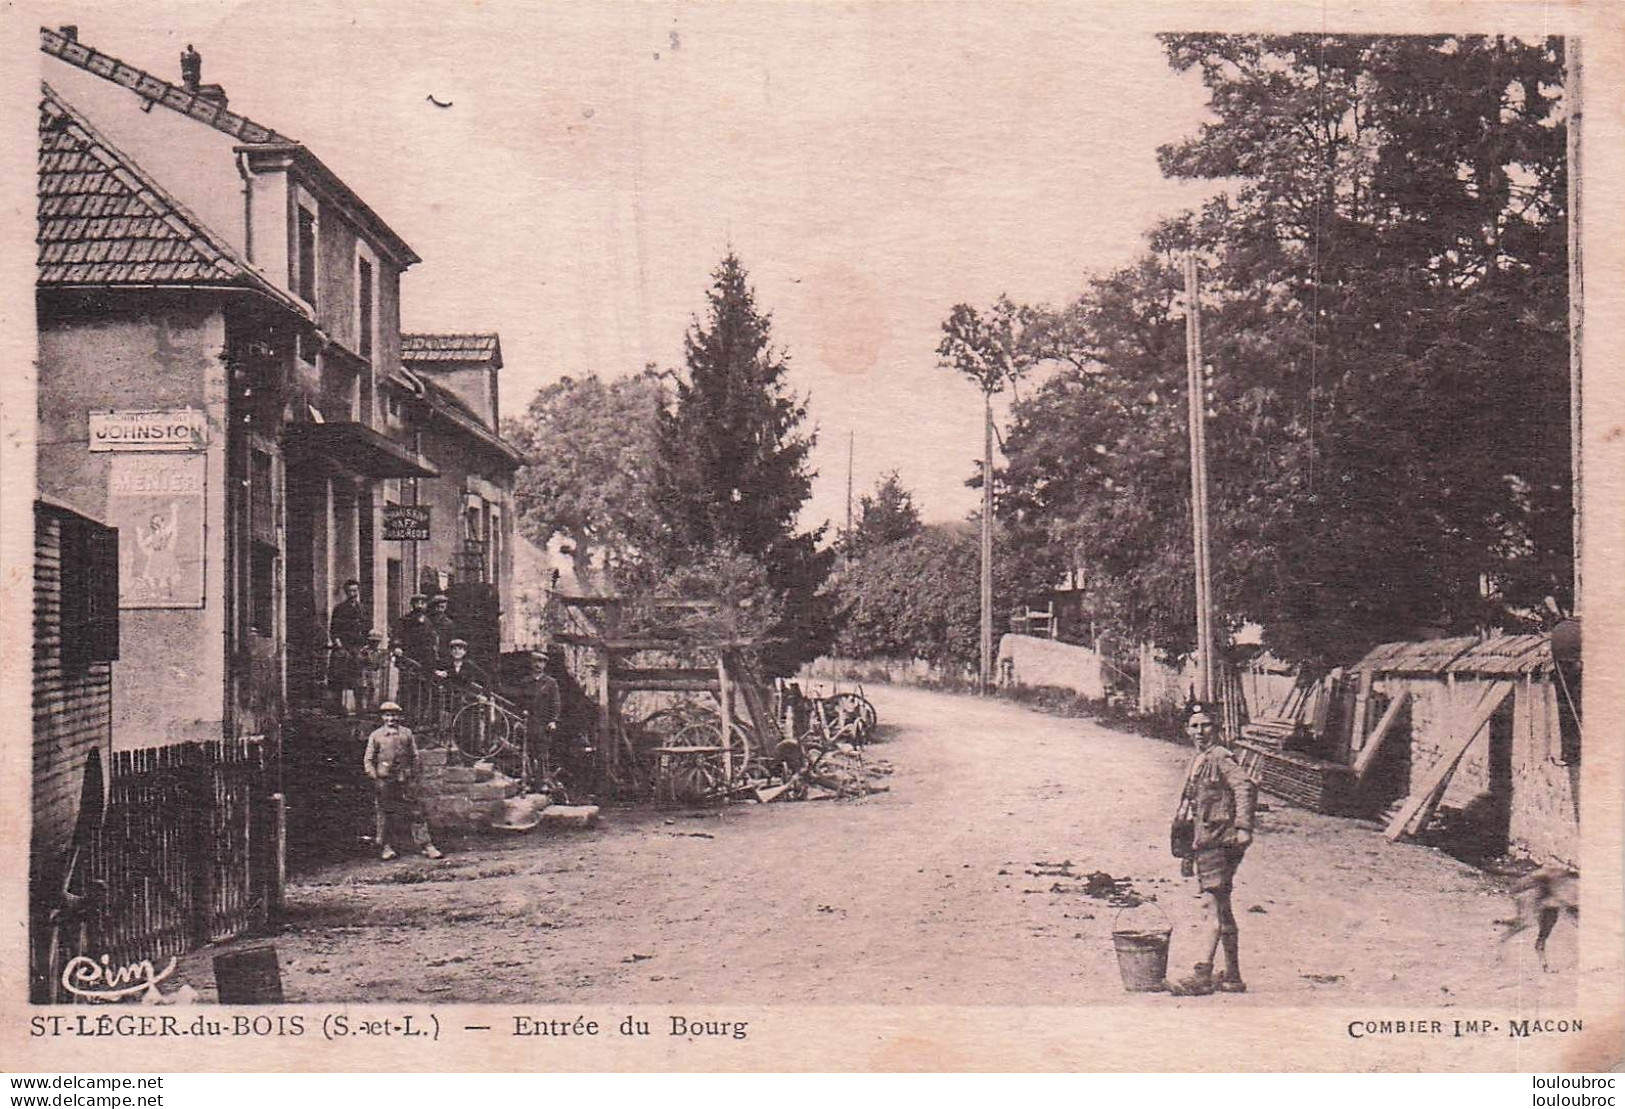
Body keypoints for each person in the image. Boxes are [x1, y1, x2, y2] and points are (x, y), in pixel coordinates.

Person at [1165, 705, 1257, 996]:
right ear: (1187, 729)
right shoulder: (1199, 759)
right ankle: (1232, 976)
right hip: (1204, 840)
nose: (1199, 732)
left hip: (1219, 839)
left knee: (1210, 905)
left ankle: (1202, 975)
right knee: (1222, 905)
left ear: (1216, 729)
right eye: (1194, 726)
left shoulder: (1220, 757)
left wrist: (1243, 827)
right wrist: (1186, 852)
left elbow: (1244, 787)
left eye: (1205, 725)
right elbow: (1190, 806)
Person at [363, 702, 443, 860]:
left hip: (405, 779)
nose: (391, 718)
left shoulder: (406, 733)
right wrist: (375, 777)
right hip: (385, 780)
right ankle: (386, 847)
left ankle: (426, 845)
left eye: (394, 715)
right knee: (386, 813)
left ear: (399, 716)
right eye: (387, 715)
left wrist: (414, 775)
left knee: (416, 812)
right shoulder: (376, 735)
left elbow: (415, 756)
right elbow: (368, 760)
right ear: (382, 717)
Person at [518, 651, 561, 791]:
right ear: (531, 664)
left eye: (541, 662)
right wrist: (521, 713)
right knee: (528, 752)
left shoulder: (550, 683)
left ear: (545, 665)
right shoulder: (525, 682)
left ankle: (542, 781)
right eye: (535, 662)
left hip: (544, 723)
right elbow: (519, 701)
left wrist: (553, 720)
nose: (538, 665)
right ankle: (529, 782)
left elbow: (555, 703)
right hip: (528, 722)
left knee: (542, 753)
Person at [328, 580, 369, 715]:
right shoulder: (339, 609)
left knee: (358, 679)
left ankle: (359, 708)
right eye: (350, 591)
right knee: (339, 678)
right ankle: (339, 707)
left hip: (357, 647)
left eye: (355, 591)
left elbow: (367, 627)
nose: (353, 594)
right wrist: (338, 644)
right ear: (346, 592)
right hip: (343, 647)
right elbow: (334, 629)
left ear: (358, 591)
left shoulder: (362, 608)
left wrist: (366, 645)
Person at [426, 594, 456, 663]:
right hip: (428, 654)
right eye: (437, 606)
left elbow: (451, 640)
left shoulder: (449, 623)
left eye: (442, 607)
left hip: (443, 654)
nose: (439, 609)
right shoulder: (427, 620)